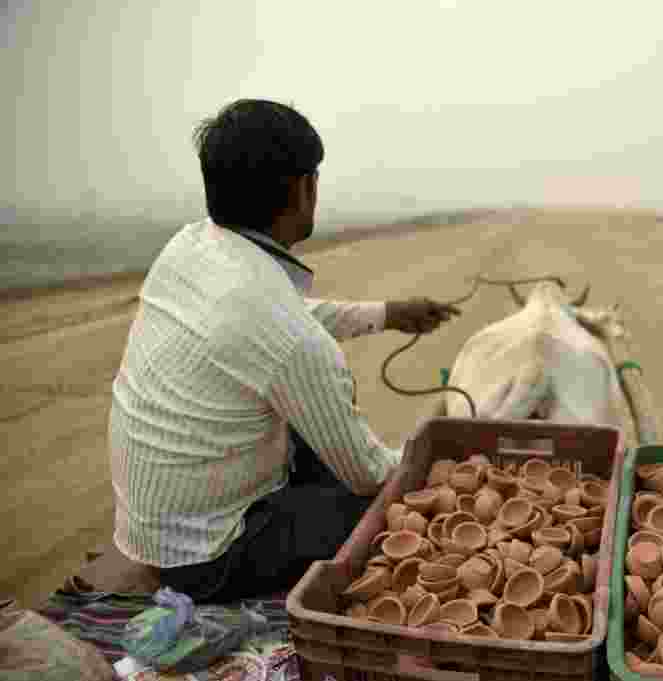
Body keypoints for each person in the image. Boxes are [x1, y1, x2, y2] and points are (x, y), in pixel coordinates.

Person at [105, 99, 461, 604]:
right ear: (304, 188)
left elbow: (275, 321)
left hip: (157, 527)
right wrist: (438, 463)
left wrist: (389, 313)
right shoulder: (290, 337)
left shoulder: (190, 247)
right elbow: (369, 472)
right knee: (393, 512)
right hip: (206, 556)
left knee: (315, 435)